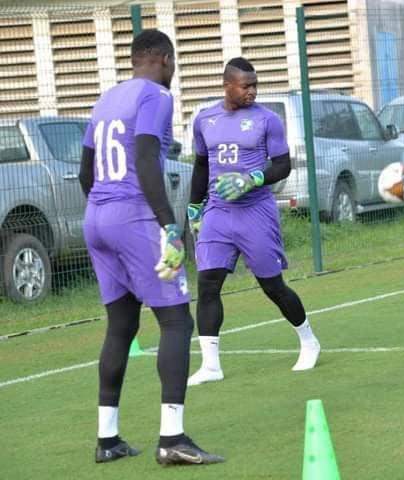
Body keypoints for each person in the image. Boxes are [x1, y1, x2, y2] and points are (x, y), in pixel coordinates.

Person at [79, 29, 224, 465]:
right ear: (162, 59)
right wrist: (168, 227)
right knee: (177, 321)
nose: (173, 72)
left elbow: (86, 171)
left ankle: (108, 440)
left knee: (121, 326)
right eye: (173, 63)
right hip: (133, 216)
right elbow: (145, 159)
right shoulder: (157, 97)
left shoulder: (106, 98)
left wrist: (104, 212)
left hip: (97, 217)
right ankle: (172, 438)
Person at [186, 57, 321, 386]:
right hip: (218, 211)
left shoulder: (268, 120)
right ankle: (211, 365)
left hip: (255, 211)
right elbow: (202, 166)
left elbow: (283, 165)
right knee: (207, 284)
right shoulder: (205, 120)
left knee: (272, 286)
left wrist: (254, 177)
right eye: (246, 86)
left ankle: (308, 340)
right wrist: (193, 208)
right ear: (227, 86)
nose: (252, 91)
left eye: (255, 85)